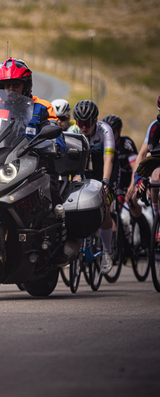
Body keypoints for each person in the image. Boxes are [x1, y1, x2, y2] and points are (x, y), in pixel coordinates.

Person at [0, 58, 68, 265]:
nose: (10, 89)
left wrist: (51, 146)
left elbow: (57, 139)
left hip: (37, 167)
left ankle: (59, 247)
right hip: (1, 167)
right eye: (6, 85)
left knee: (53, 200)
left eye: (15, 84)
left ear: (26, 85)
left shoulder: (43, 107)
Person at [68, 100, 120, 274]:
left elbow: (109, 159)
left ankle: (106, 252)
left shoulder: (105, 130)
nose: (83, 127)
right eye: (80, 123)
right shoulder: (72, 131)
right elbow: (68, 161)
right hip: (84, 169)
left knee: (103, 208)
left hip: (104, 169)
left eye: (88, 123)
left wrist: (105, 181)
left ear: (96, 121)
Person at [102, 114, 150, 249]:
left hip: (129, 178)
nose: (111, 134)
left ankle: (144, 231)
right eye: (108, 131)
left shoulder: (126, 143)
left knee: (132, 201)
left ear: (119, 131)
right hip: (114, 179)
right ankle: (119, 244)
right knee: (111, 208)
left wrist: (132, 186)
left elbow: (135, 166)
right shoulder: (103, 144)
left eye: (114, 131)